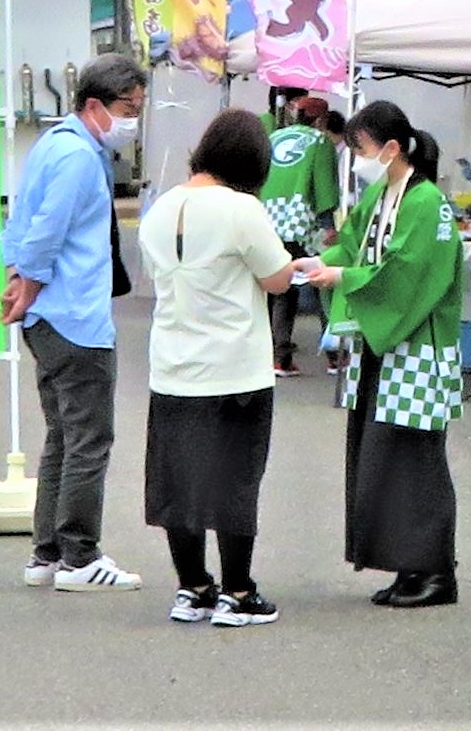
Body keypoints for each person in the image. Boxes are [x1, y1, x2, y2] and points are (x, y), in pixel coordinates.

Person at [293, 100, 463, 609]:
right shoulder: (380, 195)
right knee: (381, 457)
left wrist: (340, 277)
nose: (356, 158)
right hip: (383, 346)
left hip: (416, 350)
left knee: (415, 458)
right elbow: (349, 247)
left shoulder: (425, 201)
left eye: (361, 149)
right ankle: (408, 565)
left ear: (391, 148)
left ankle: (434, 570)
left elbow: (408, 273)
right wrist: (314, 263)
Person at [138, 109, 293, 627]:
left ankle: (193, 587)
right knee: (235, 481)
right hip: (235, 369)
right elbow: (276, 279)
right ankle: (239, 591)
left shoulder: (160, 208)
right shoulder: (242, 209)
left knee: (179, 482)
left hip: (173, 366)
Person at [1, 52, 146, 593]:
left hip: (50, 314)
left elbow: (22, 224)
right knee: (89, 438)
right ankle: (80, 556)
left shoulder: (55, 144)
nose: (134, 119)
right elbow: (46, 232)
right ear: (94, 105)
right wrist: (27, 285)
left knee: (63, 437)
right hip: (74, 316)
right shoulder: (79, 157)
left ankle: (48, 553)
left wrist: (18, 283)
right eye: (128, 108)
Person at [261, 96, 339, 376]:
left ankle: (278, 357)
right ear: (321, 119)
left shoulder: (274, 137)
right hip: (301, 222)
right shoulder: (320, 142)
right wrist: (329, 225)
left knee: (281, 289)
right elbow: (324, 188)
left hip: (268, 221)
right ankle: (335, 353)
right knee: (322, 282)